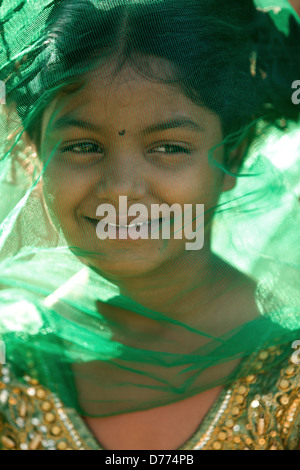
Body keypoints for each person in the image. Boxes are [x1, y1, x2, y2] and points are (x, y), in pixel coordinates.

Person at [0, 0, 299, 450]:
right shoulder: (12, 362)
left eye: (169, 148)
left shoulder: (289, 377)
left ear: (233, 153)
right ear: (36, 148)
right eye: (83, 145)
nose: (121, 189)